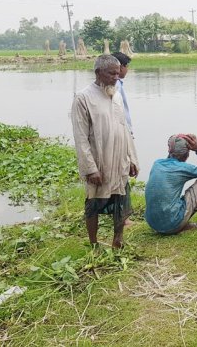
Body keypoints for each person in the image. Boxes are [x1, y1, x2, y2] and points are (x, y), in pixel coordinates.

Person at [71, 54, 139, 248]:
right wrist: (90, 168)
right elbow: (81, 137)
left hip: (120, 159)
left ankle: (118, 239)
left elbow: (123, 128)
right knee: (93, 203)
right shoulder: (83, 98)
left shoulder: (115, 94)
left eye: (118, 74)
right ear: (98, 72)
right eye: (111, 74)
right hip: (100, 161)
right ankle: (93, 243)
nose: (116, 77)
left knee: (120, 200)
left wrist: (132, 158)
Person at [145, 134, 197, 234]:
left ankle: (180, 221)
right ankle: (181, 224)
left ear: (169, 150)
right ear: (187, 154)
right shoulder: (185, 168)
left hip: (152, 224)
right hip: (171, 226)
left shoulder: (157, 163)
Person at [111, 51, 134, 135]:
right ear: (120, 67)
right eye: (127, 66)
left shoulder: (118, 83)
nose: (127, 69)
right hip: (121, 129)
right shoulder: (115, 84)